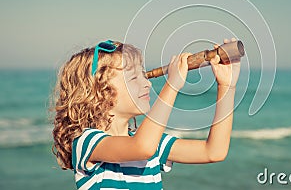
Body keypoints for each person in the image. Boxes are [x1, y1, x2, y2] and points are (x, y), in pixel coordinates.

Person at [51, 38, 240, 189]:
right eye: (133, 77)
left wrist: (226, 86)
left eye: (143, 75)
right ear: (96, 93)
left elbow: (214, 151)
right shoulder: (86, 143)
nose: (147, 83)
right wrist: (172, 85)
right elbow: (142, 146)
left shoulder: (152, 142)